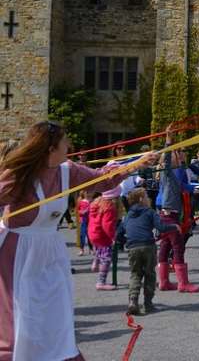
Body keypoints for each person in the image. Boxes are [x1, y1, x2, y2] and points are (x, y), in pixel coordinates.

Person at [0, 121, 156, 361]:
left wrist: (137, 163)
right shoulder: (19, 174)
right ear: (51, 147)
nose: (69, 145)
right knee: (20, 315)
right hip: (17, 252)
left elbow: (102, 180)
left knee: (55, 312)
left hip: (50, 250)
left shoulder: (68, 170)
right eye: (64, 141)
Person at [117, 188, 179, 315]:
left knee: (135, 274)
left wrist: (124, 241)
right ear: (140, 199)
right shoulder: (149, 212)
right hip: (147, 246)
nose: (148, 199)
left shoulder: (128, 215)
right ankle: (148, 303)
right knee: (149, 274)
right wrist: (174, 226)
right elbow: (161, 227)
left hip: (133, 247)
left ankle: (133, 301)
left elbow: (119, 233)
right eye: (146, 196)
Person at [156, 125, 199, 293]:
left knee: (166, 246)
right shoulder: (167, 172)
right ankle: (183, 283)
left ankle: (164, 282)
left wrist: (197, 188)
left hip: (170, 215)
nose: (180, 154)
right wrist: (168, 141)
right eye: (177, 152)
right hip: (168, 215)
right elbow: (167, 159)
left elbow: (183, 185)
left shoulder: (176, 173)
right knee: (178, 246)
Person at [88, 189, 121, 290]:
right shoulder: (109, 207)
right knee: (106, 258)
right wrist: (113, 237)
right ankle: (101, 282)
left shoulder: (97, 202)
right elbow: (107, 225)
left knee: (99, 249)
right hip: (102, 236)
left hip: (93, 233)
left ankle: (95, 262)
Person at [76, 189, 93, 256]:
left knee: (90, 235)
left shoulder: (91, 202)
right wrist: (82, 212)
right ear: (83, 194)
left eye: (89, 193)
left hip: (90, 220)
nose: (88, 194)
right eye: (86, 193)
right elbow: (78, 210)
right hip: (83, 220)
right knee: (82, 235)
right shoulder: (81, 201)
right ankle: (81, 249)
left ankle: (91, 249)